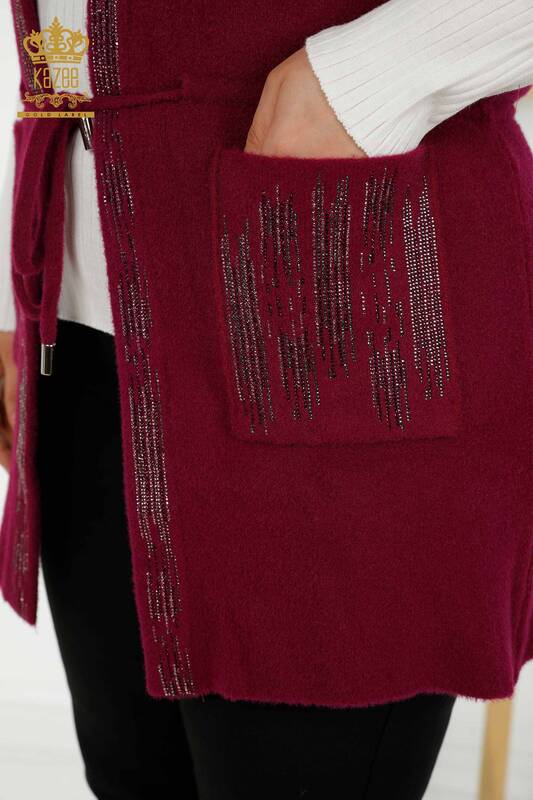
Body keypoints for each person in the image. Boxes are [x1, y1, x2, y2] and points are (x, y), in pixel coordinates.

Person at [0, 1, 532, 798]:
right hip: (76, 327)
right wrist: (14, 295)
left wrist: (372, 75)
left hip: (331, 270)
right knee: (130, 775)